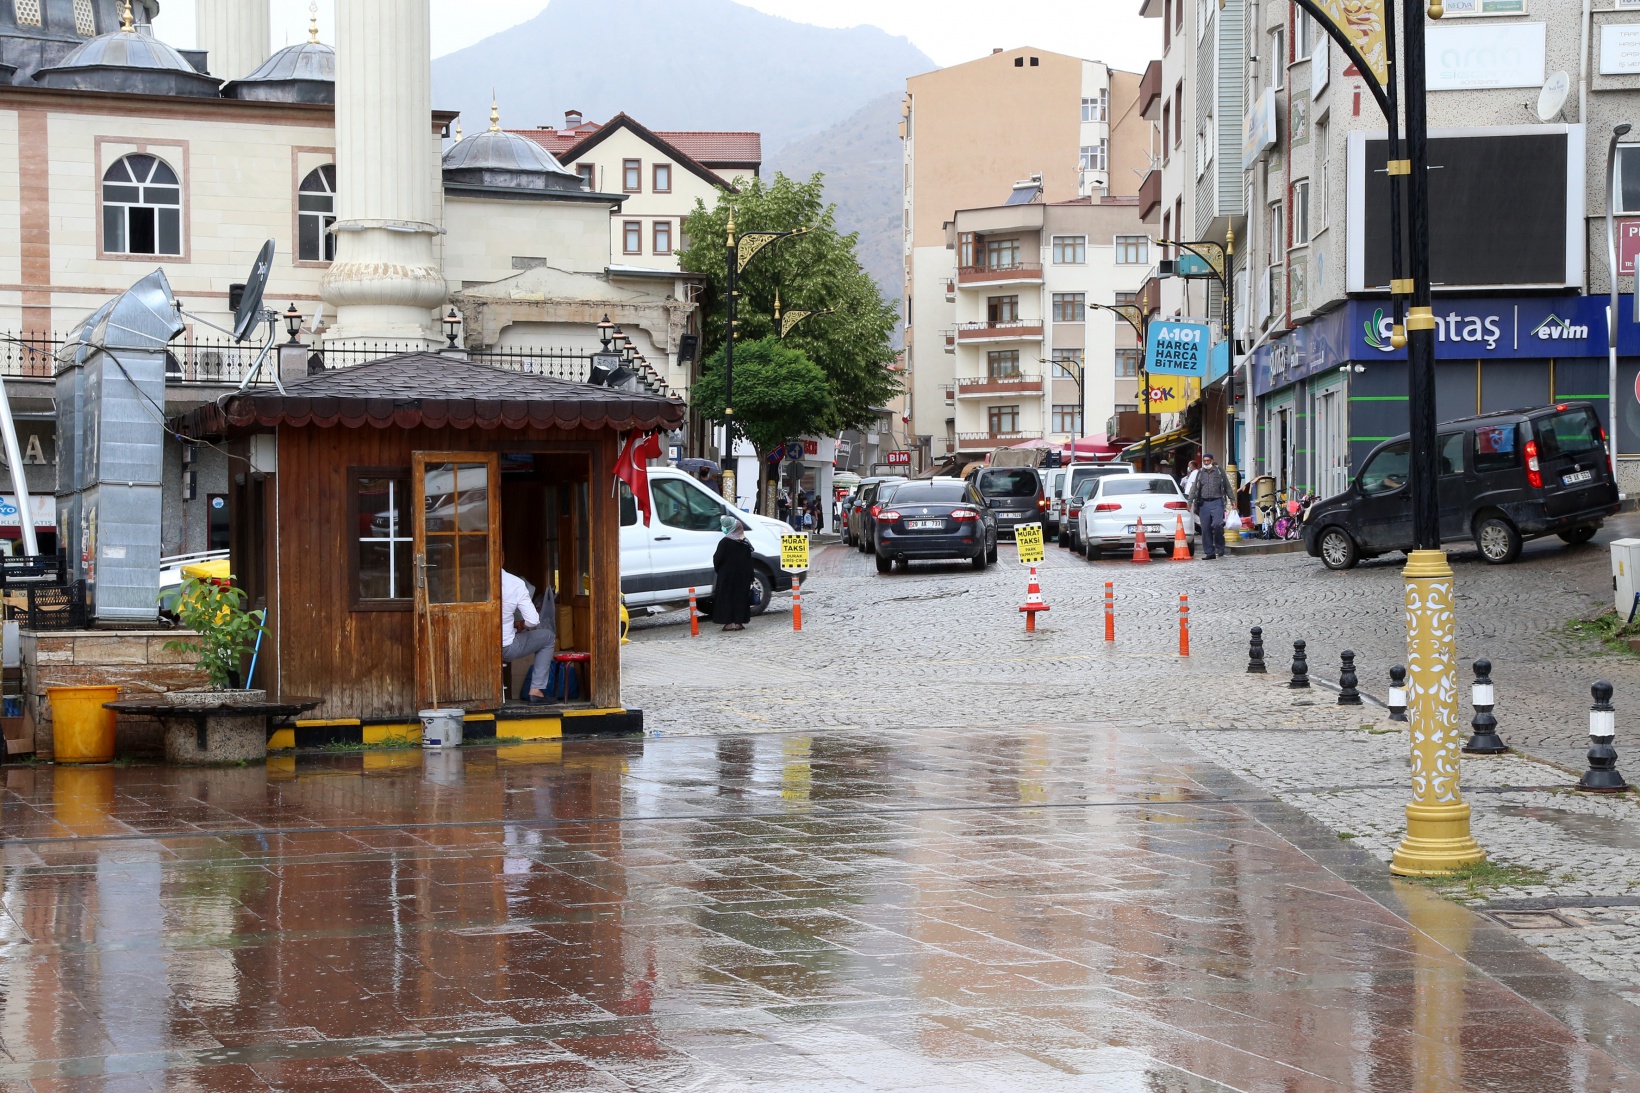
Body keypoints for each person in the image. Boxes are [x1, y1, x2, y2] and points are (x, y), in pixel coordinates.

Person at [501, 560, 555, 702]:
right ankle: (536, 690)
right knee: (548, 637)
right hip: (505, 647)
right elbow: (533, 621)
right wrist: (521, 624)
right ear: (502, 557)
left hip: (478, 645)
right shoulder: (515, 583)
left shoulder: (470, 580)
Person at [711, 515, 755, 631]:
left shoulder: (724, 542)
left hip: (726, 577)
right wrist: (751, 577)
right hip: (742, 577)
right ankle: (739, 623)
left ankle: (728, 623)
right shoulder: (745, 543)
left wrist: (720, 571)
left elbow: (717, 559)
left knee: (726, 598)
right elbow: (749, 561)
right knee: (740, 598)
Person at [1188, 452, 1234, 560]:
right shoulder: (1200, 473)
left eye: (1208, 461)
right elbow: (1194, 488)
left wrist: (1232, 500)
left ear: (1212, 461)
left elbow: (1227, 486)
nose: (1206, 463)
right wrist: (1189, 502)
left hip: (1217, 502)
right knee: (1205, 528)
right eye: (1204, 461)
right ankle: (1209, 552)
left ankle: (1220, 547)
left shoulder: (1219, 471)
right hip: (1204, 503)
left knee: (1217, 524)